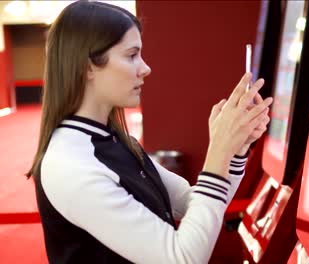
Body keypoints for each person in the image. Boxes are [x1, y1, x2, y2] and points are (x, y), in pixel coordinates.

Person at [26, 1, 273, 263]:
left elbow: (195, 204)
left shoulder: (115, 140)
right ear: (87, 66)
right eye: (132, 55)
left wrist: (234, 150)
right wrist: (218, 152)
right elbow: (182, 257)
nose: (146, 68)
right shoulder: (70, 164)